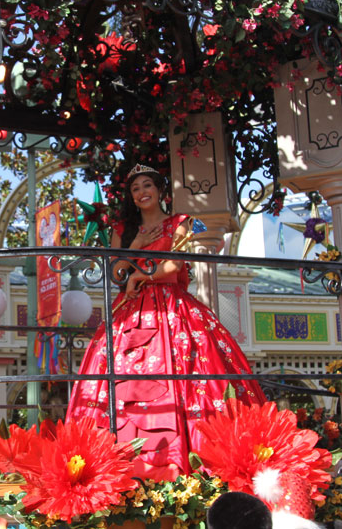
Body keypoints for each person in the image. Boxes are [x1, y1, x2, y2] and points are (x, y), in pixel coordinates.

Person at [66, 163, 265, 476]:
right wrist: (137, 248)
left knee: (188, 372)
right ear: (131, 197)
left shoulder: (180, 222)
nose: (142, 192)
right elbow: (117, 272)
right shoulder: (124, 231)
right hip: (131, 309)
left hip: (172, 308)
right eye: (135, 188)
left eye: (147, 185)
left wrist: (140, 277)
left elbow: (174, 266)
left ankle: (189, 461)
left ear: (159, 190)